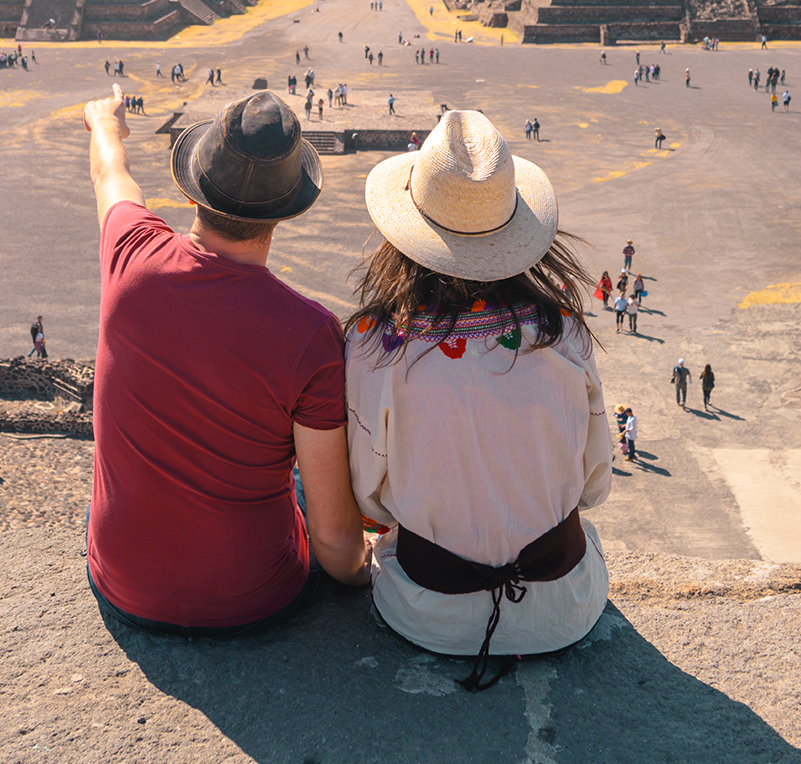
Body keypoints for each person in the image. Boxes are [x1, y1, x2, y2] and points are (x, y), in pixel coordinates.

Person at [82, 84, 369, 638]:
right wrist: (366, 578)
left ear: (192, 193)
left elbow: (110, 175)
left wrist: (104, 124)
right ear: (286, 212)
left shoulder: (130, 253)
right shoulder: (308, 333)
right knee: (313, 474)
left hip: (120, 583)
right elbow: (335, 543)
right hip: (254, 599)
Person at [346, 109, 611, 692]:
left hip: (428, 610)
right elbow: (594, 484)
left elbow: (370, 494)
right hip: (563, 602)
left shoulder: (378, 347)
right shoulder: (562, 331)